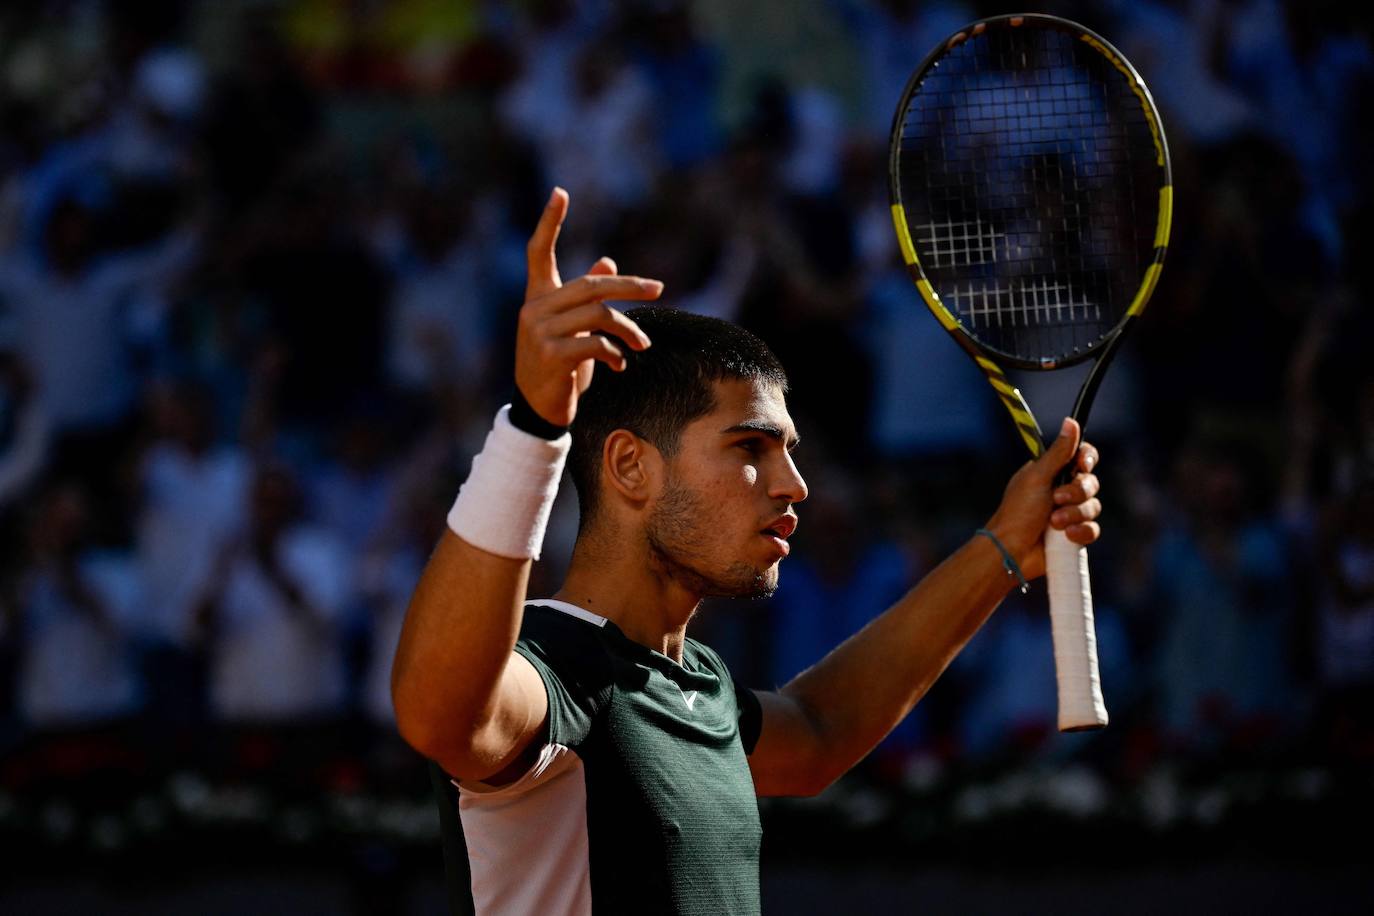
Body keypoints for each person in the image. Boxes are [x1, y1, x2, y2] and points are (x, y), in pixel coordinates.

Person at [390, 188, 1103, 915]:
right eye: (751, 448)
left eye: (789, 452)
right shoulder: (552, 667)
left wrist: (1003, 547)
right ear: (631, 467)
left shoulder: (696, 681)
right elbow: (440, 714)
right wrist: (534, 424)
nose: (795, 486)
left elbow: (822, 729)